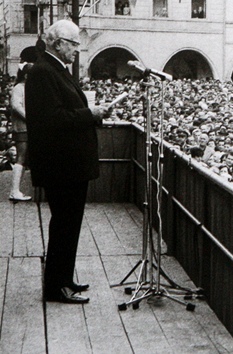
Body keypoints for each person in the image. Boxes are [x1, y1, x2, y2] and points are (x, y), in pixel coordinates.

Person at [26, 20, 110, 304]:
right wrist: (91, 113)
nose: (77, 49)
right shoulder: (43, 72)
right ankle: (55, 287)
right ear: (58, 42)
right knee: (63, 224)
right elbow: (53, 120)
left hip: (68, 164)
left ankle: (63, 278)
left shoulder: (55, 70)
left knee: (69, 224)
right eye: (74, 43)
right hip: (61, 165)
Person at [9, 62, 33, 201]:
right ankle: (14, 190)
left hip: (26, 126)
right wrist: (30, 118)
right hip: (22, 126)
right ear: (26, 75)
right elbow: (16, 105)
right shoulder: (19, 88)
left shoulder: (27, 87)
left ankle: (16, 190)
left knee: (23, 158)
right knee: (21, 157)